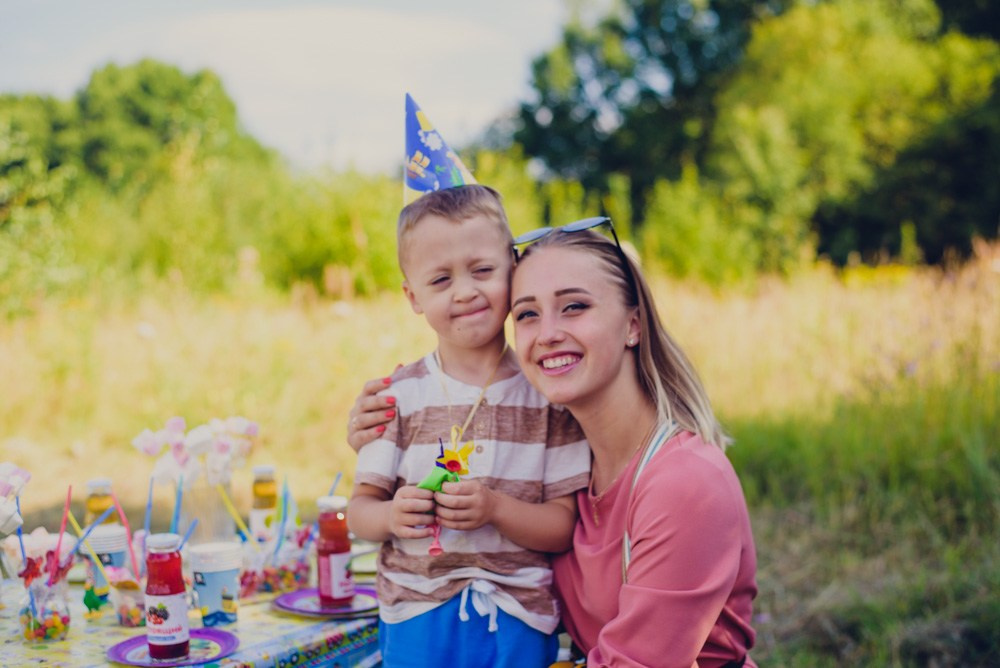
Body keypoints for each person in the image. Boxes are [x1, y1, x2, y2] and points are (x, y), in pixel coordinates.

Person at [349, 217, 758, 667]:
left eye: (574, 307)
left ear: (633, 325)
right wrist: (389, 430)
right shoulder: (566, 456)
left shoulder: (685, 485)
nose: (546, 334)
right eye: (526, 314)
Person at [347, 184, 591, 668]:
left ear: (512, 271)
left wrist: (495, 508)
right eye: (440, 281)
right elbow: (359, 512)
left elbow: (563, 528)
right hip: (417, 611)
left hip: (519, 615)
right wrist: (393, 515)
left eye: (482, 270)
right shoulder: (397, 395)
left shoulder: (547, 393)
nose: (465, 291)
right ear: (412, 296)